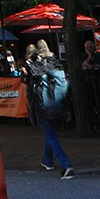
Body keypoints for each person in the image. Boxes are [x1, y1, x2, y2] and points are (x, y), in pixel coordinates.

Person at [26, 40, 76, 179]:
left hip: (43, 105)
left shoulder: (35, 65)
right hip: (58, 103)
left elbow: (31, 87)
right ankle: (47, 160)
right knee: (50, 132)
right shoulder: (56, 63)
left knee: (50, 134)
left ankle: (66, 164)